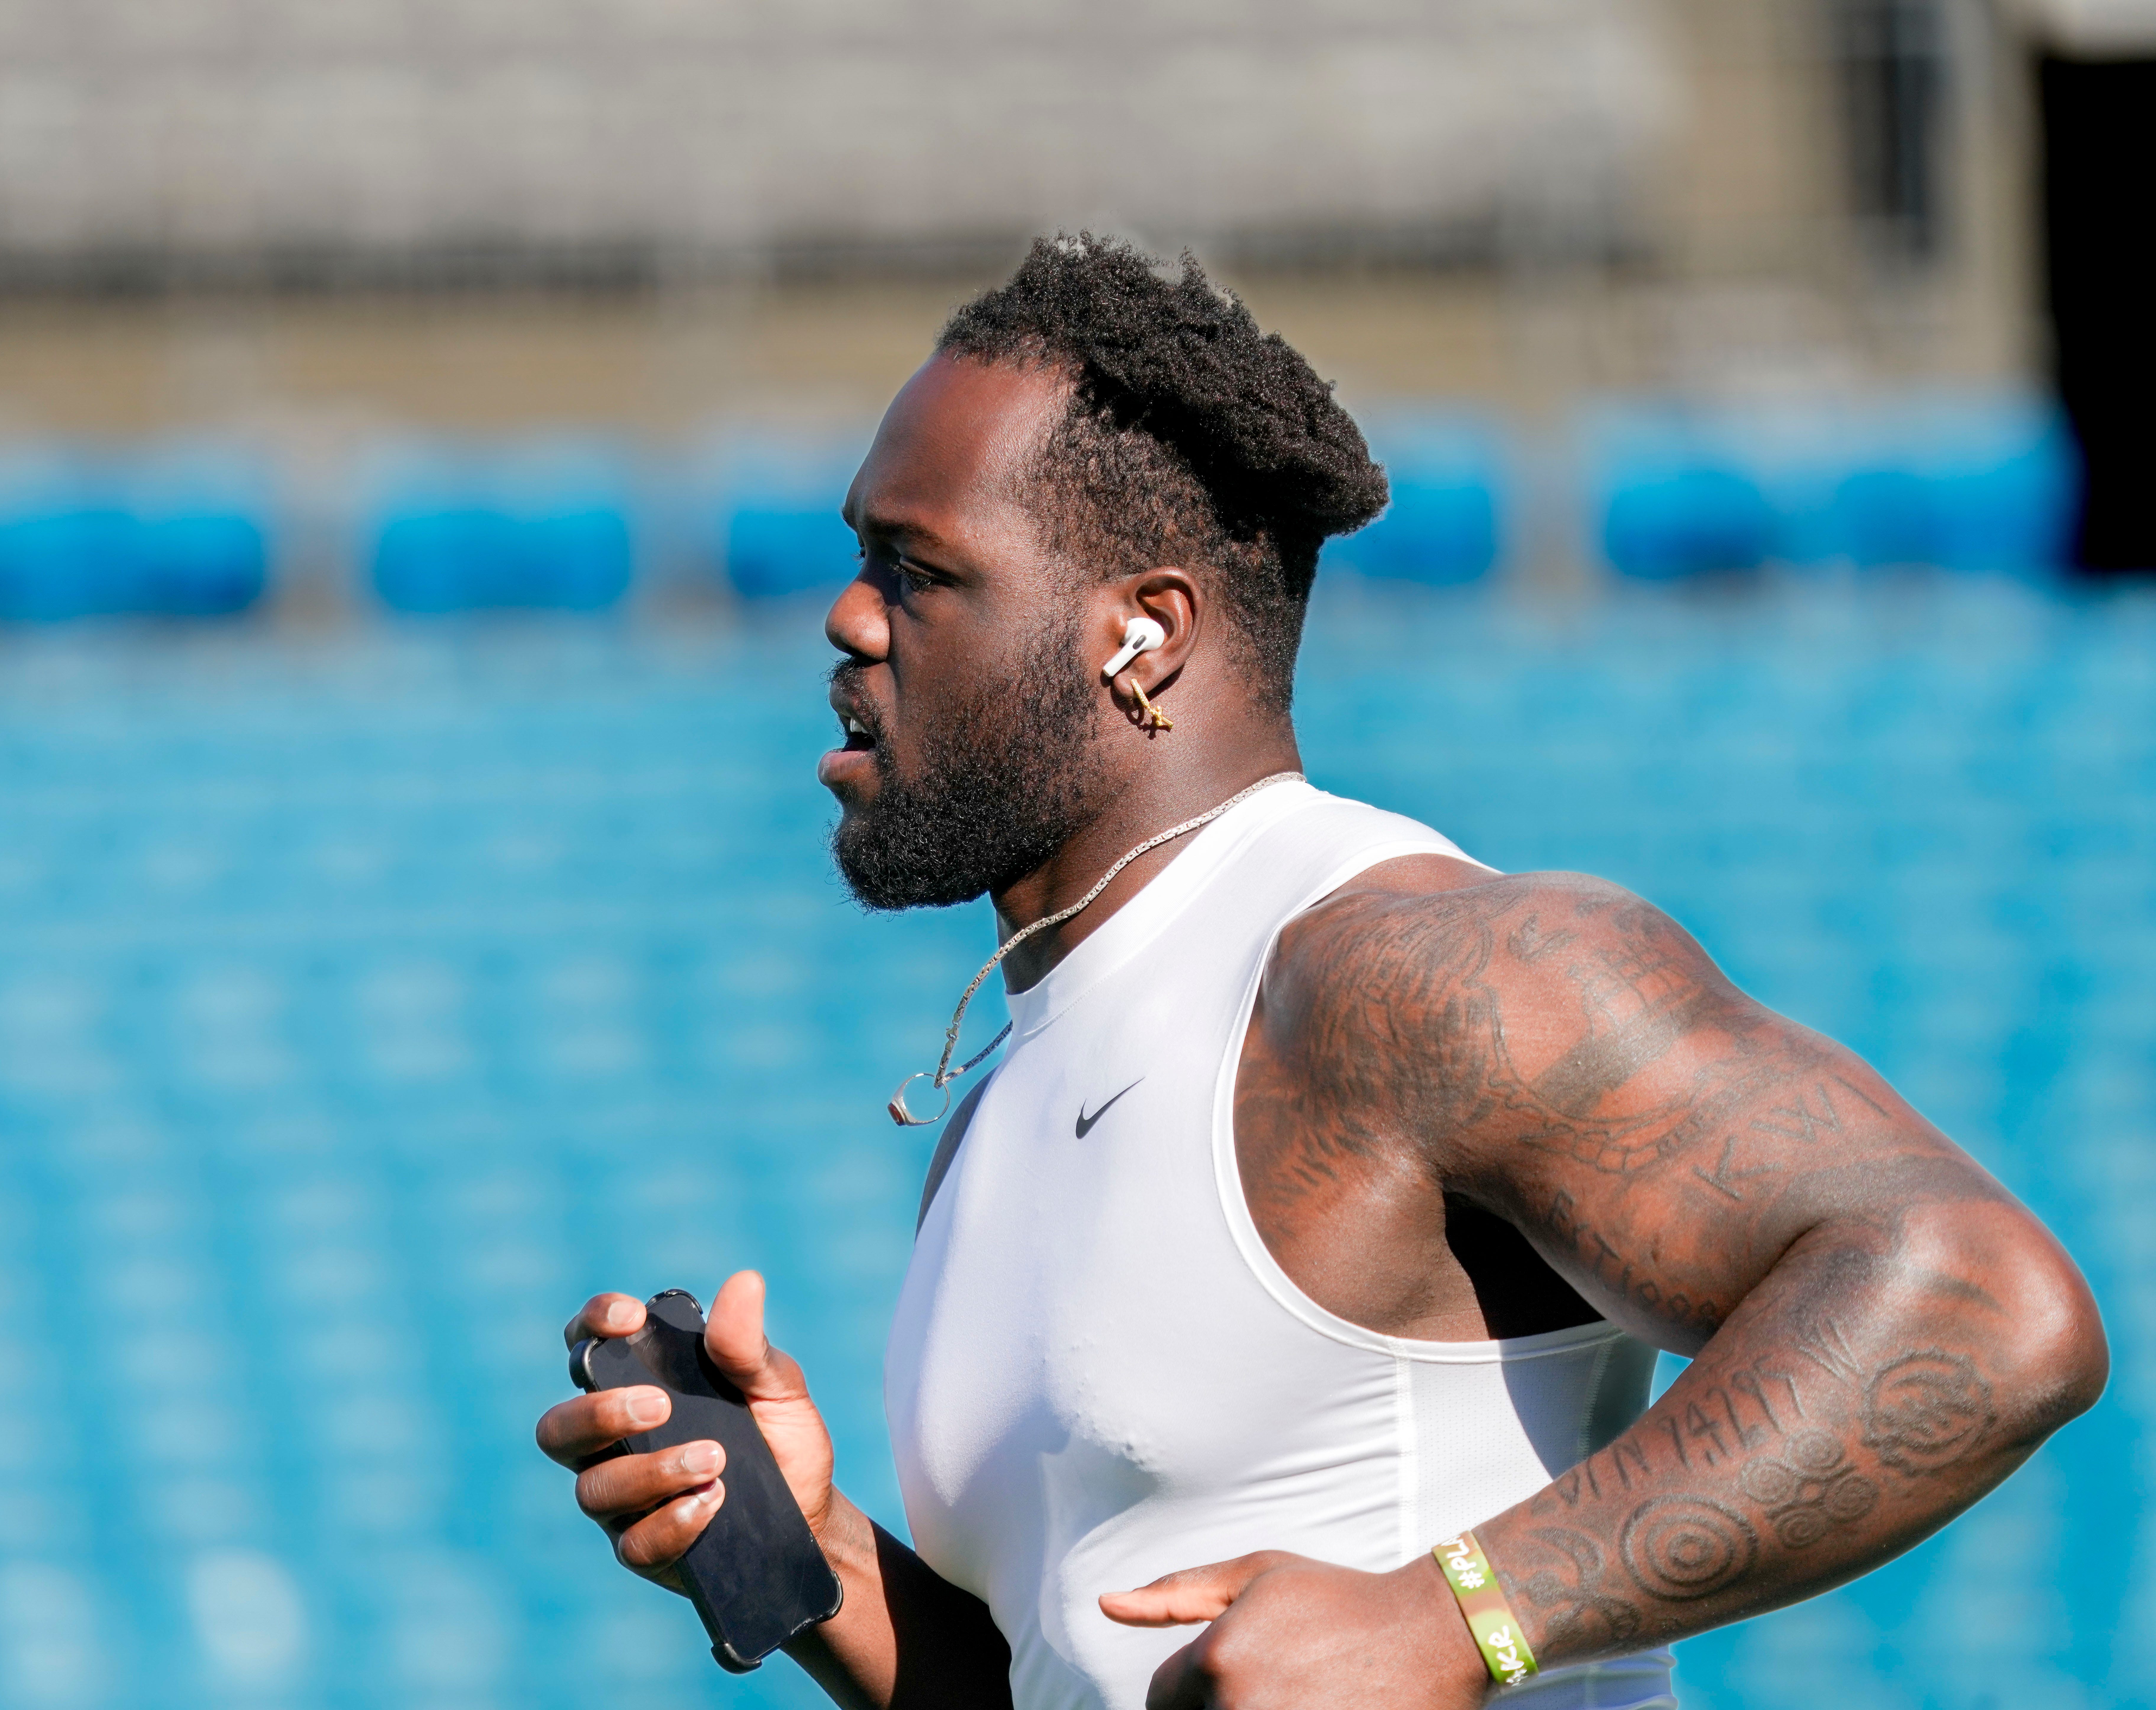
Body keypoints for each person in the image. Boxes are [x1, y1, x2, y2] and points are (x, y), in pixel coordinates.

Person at [534, 235, 2106, 1710]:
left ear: (1142, 636)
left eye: (916, 569)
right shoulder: (1010, 1093)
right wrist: (823, 1559)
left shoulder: (1406, 969)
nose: (846, 616)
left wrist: (1460, 1615)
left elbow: (1983, 1300)